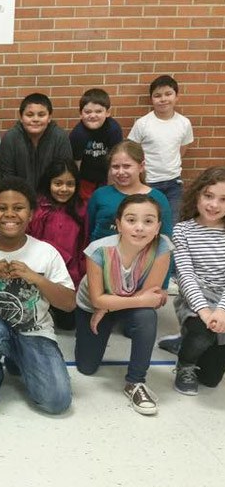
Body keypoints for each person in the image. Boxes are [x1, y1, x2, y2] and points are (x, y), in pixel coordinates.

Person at [0, 177, 74, 414]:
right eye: (1, 208)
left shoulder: (46, 252)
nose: (9, 215)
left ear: (30, 215)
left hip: (34, 331)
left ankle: (17, 358)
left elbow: (69, 303)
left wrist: (37, 278)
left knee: (56, 402)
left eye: (18, 208)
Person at [74, 194, 172, 416]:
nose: (139, 228)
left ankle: (136, 382)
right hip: (93, 307)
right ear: (118, 224)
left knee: (146, 316)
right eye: (131, 220)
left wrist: (109, 305)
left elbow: (151, 295)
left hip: (118, 304)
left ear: (157, 227)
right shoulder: (98, 250)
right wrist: (105, 305)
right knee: (87, 368)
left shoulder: (162, 246)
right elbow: (98, 299)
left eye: (148, 221)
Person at [171, 167, 225, 395]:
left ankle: (183, 341)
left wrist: (221, 311)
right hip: (196, 298)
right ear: (197, 196)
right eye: (208, 196)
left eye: (223, 199)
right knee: (203, 332)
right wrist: (204, 312)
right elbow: (185, 276)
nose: (214, 205)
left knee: (211, 379)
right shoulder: (183, 230)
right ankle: (185, 363)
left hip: (223, 300)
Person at [27, 160, 88, 330]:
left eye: (70, 184)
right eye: (58, 183)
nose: (63, 189)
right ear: (49, 183)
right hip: (38, 273)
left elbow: (84, 244)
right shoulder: (36, 209)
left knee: (68, 324)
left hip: (68, 275)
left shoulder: (81, 209)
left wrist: (82, 274)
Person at [129, 75, 194, 222]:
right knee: (146, 221)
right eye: (157, 96)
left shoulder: (184, 123)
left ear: (177, 97)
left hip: (173, 183)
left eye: (168, 94)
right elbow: (131, 150)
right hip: (148, 182)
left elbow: (182, 149)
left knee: (172, 222)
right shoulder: (143, 123)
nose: (163, 99)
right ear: (151, 99)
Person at [87, 140, 172, 243]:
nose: (121, 172)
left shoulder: (158, 198)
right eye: (115, 167)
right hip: (103, 256)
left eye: (127, 166)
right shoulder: (100, 195)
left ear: (141, 166)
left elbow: (165, 240)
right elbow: (88, 232)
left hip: (144, 257)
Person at [0, 92, 73, 192]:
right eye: (29, 115)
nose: (35, 119)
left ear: (49, 117)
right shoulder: (10, 138)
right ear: (21, 117)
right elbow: (6, 178)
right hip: (19, 198)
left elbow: (64, 175)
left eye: (41, 115)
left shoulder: (60, 138)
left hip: (51, 199)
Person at [69, 88, 124, 201]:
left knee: (106, 201)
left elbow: (115, 160)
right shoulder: (77, 134)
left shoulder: (113, 129)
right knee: (85, 206)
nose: (93, 115)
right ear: (80, 114)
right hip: (85, 178)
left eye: (98, 111)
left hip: (107, 176)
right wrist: (76, 187)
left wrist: (110, 187)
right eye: (88, 112)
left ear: (107, 112)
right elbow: (76, 163)